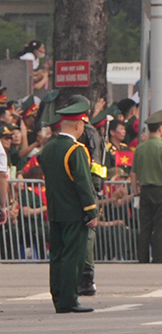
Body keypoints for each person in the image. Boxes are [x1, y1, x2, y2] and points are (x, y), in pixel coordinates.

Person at [42, 96, 96, 310]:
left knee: (56, 256)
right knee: (73, 257)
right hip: (74, 212)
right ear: (79, 124)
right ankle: (68, 299)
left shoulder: (49, 148)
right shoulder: (76, 150)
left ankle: (58, 297)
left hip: (55, 209)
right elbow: (84, 183)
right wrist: (92, 211)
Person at [131, 116, 162, 264]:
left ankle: (142, 259)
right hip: (161, 191)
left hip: (144, 191)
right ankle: (158, 259)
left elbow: (133, 174)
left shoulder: (140, 148)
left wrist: (136, 193)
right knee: (160, 228)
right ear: (160, 128)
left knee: (145, 228)